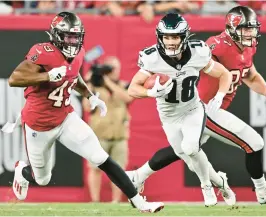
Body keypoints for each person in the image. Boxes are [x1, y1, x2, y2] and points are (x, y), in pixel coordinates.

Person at [126, 6, 266, 206]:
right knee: (254, 143)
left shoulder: (248, 47)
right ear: (232, 28)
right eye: (245, 29)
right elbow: (205, 66)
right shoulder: (216, 45)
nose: (250, 33)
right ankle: (263, 191)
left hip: (214, 106)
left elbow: (250, 75)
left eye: (252, 29)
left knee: (182, 150)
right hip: (205, 107)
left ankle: (138, 176)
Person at [3, 11, 163, 213]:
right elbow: (15, 78)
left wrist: (90, 95)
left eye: (76, 37)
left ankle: (139, 202)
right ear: (57, 35)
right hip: (38, 125)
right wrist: (47, 76)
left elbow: (74, 76)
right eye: (69, 36)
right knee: (42, 179)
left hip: (65, 118)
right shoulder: (42, 51)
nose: (73, 41)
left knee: (100, 157)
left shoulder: (78, 53)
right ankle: (22, 172)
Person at [128, 13, 235, 206]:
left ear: (184, 37)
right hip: (168, 116)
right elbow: (132, 88)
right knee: (191, 161)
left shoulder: (197, 53)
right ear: (160, 37)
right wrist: (151, 93)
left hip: (192, 109)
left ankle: (206, 187)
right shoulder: (152, 58)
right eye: (166, 37)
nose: (170, 42)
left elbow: (224, 74)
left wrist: (219, 96)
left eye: (175, 37)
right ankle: (221, 183)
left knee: (191, 148)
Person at [85, 57, 133, 203]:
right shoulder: (94, 87)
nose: (113, 72)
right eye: (109, 69)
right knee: (95, 168)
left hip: (119, 135)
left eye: (115, 68)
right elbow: (87, 107)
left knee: (118, 171)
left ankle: (116, 201)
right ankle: (95, 201)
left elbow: (128, 98)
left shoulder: (124, 85)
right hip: (99, 134)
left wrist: (108, 82)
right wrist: (89, 83)